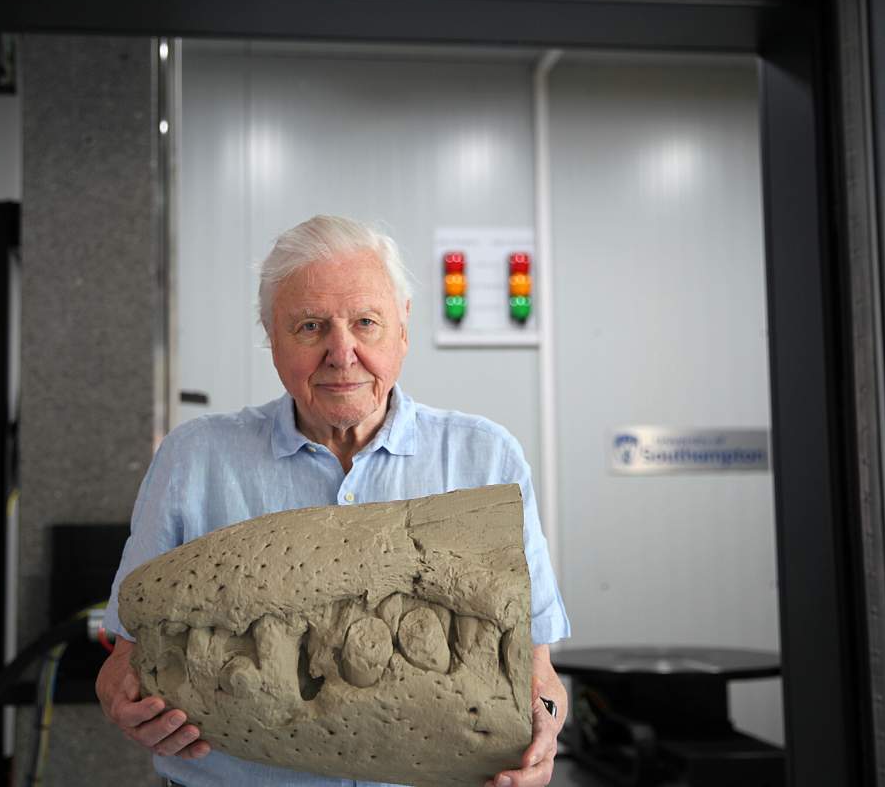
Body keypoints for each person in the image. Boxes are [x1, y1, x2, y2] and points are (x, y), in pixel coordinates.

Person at [96, 215, 571, 787]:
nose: (341, 353)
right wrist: (126, 707)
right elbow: (123, 660)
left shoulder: (485, 457)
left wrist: (541, 731)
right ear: (271, 335)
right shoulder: (194, 460)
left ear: (403, 328)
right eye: (310, 326)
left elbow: (537, 674)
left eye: (365, 323)